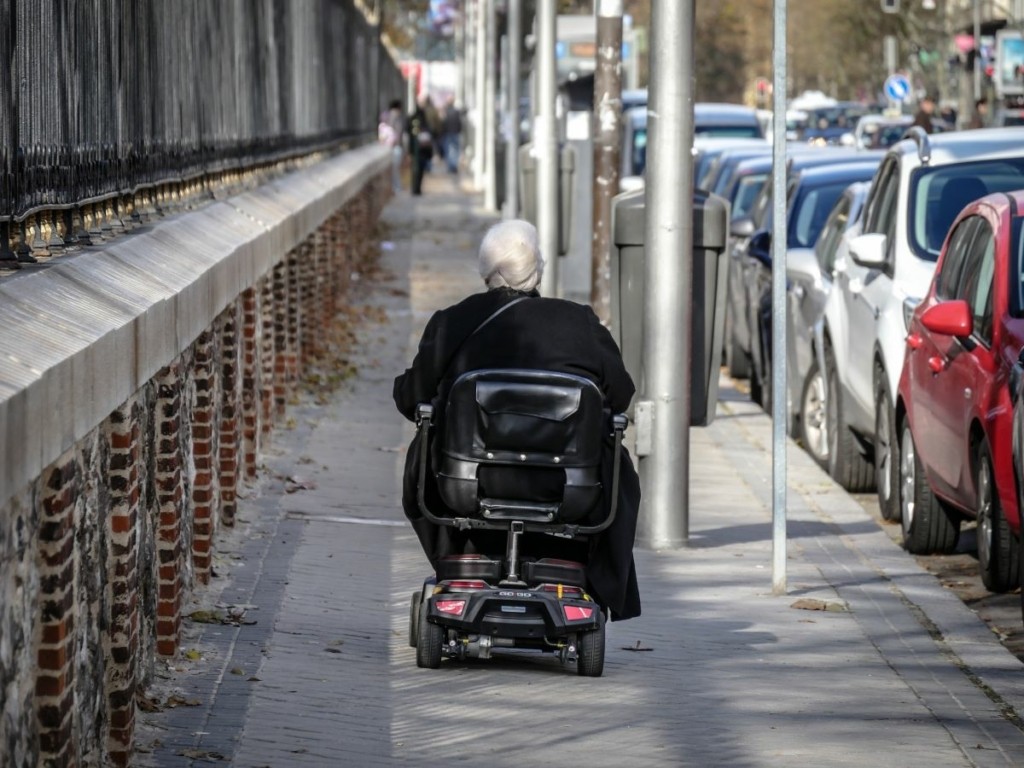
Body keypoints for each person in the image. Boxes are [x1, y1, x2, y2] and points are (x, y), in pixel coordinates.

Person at [393, 219, 642, 621]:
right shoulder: (580, 323)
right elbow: (622, 395)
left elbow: (410, 399)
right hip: (568, 489)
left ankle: (463, 554)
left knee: (425, 445)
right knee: (616, 459)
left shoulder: (452, 322)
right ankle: (588, 574)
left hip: (467, 484)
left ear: (485, 271)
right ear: (538, 269)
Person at [405, 98, 433, 196]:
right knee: (419, 168)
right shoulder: (419, 118)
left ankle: (415, 188)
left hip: (417, 147)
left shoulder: (413, 118)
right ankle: (416, 188)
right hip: (420, 148)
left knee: (416, 168)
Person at [378, 99, 404, 193]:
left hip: (390, 145)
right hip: (395, 146)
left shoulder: (387, 116)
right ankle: (396, 188)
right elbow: (397, 132)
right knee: (395, 169)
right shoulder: (395, 117)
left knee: (394, 169)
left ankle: (395, 187)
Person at [439, 95, 463, 174]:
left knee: (449, 150)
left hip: (448, 133)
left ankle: (451, 167)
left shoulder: (445, 111)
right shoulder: (456, 111)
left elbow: (443, 123)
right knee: (454, 150)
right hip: (454, 133)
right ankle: (453, 166)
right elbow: (460, 123)